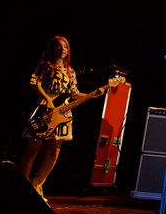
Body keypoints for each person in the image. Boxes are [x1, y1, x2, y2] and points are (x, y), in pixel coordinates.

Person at [20, 36, 104, 201]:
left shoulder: (70, 71)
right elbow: (34, 83)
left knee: (54, 152)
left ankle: (37, 184)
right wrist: (48, 99)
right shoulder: (44, 65)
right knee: (33, 149)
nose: (63, 49)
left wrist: (92, 95)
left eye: (65, 46)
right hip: (45, 107)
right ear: (52, 49)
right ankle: (22, 184)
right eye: (59, 46)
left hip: (63, 113)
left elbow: (74, 94)